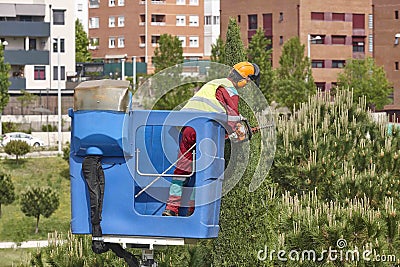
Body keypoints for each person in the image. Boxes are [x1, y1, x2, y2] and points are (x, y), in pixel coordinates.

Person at [162, 62, 260, 216]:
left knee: (181, 170)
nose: (247, 84)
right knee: (203, 170)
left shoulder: (213, 84)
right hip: (204, 131)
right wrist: (238, 133)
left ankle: (171, 208)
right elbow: (232, 117)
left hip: (187, 129)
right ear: (243, 78)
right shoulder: (230, 89)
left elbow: (214, 109)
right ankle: (192, 211)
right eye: (248, 81)